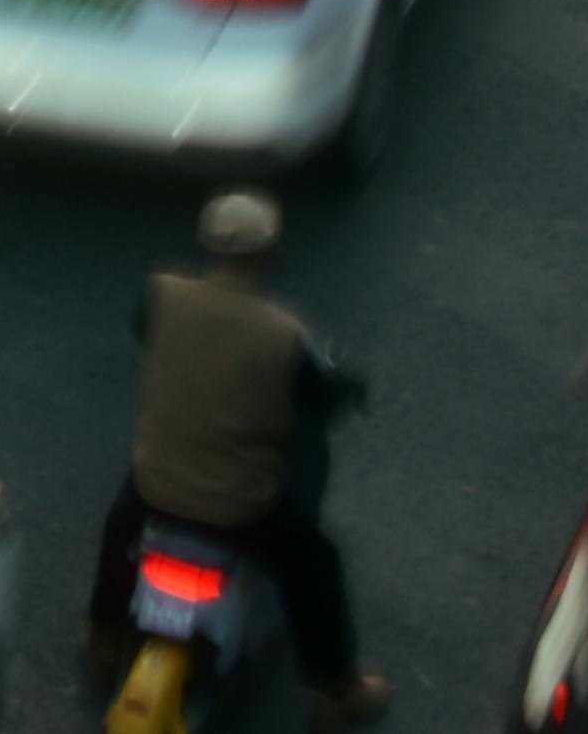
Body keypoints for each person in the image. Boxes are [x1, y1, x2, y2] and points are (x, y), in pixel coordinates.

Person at [89, 189, 385, 730]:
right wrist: (349, 388)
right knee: (314, 564)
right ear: (269, 254)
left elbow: (144, 333)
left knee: (119, 526)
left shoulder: (161, 293)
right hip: (240, 511)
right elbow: (321, 396)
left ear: (208, 245)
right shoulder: (284, 334)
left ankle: (104, 636)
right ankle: (336, 687)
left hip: (154, 487)